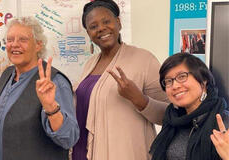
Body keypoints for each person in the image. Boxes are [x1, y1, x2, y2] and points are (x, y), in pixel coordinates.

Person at [72, 0, 169, 159]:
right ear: (89, 33)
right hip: (84, 150)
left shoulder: (144, 59)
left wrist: (139, 99)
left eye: (106, 21)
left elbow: (169, 114)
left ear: (118, 23)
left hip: (125, 153)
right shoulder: (90, 64)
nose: (101, 28)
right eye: (93, 26)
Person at [0, 16, 79, 160]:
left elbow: (69, 138)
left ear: (38, 45)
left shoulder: (54, 81)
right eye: (10, 40)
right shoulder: (6, 74)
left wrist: (51, 108)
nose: (15, 45)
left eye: (23, 40)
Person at [150, 53, 229, 160]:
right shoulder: (172, 120)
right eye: (168, 81)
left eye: (182, 76)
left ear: (203, 80)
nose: (175, 86)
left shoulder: (224, 122)